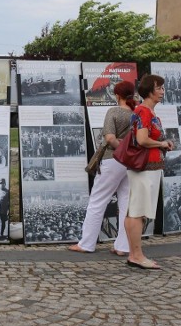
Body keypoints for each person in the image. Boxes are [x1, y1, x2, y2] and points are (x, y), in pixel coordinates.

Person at [68, 81, 135, 256]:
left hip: (113, 160)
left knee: (97, 201)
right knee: (126, 204)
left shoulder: (113, 112)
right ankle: (123, 246)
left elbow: (110, 138)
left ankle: (87, 243)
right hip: (131, 163)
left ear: (117, 95)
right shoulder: (136, 113)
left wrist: (122, 149)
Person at [124, 75, 173, 270]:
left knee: (136, 210)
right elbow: (142, 139)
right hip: (144, 168)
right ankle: (136, 255)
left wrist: (163, 144)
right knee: (137, 212)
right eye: (159, 88)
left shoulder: (148, 112)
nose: (162, 91)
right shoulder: (144, 111)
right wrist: (161, 143)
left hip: (148, 167)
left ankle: (135, 254)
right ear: (149, 90)